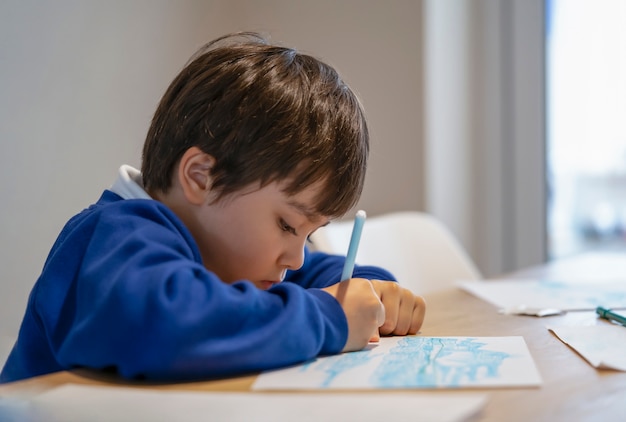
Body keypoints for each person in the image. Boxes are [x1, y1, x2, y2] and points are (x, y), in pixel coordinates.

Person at [0, 32, 426, 384]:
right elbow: (171, 326)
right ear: (201, 177)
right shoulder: (114, 238)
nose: (295, 256)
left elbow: (309, 272)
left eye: (308, 234)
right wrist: (329, 316)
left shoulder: (217, 246)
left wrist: (366, 289)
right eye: (286, 224)